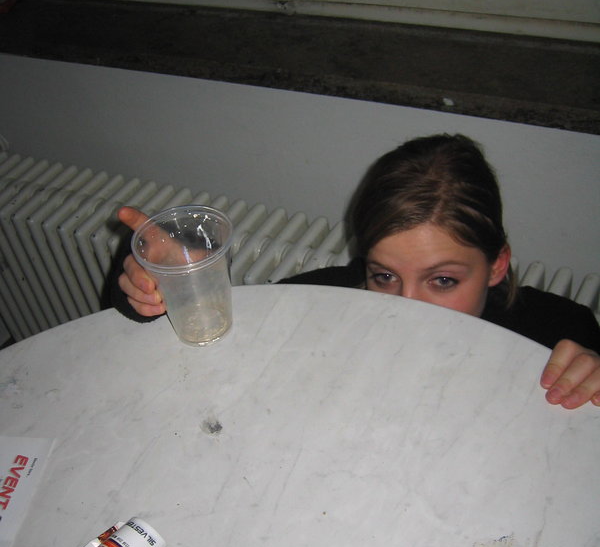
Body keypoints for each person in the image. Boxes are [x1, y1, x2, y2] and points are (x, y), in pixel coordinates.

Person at [110, 134, 600, 410]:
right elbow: (227, 328)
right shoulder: (329, 298)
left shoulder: (558, 331)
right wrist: (156, 289)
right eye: (384, 276)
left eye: (443, 281)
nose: (407, 309)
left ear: (497, 265)